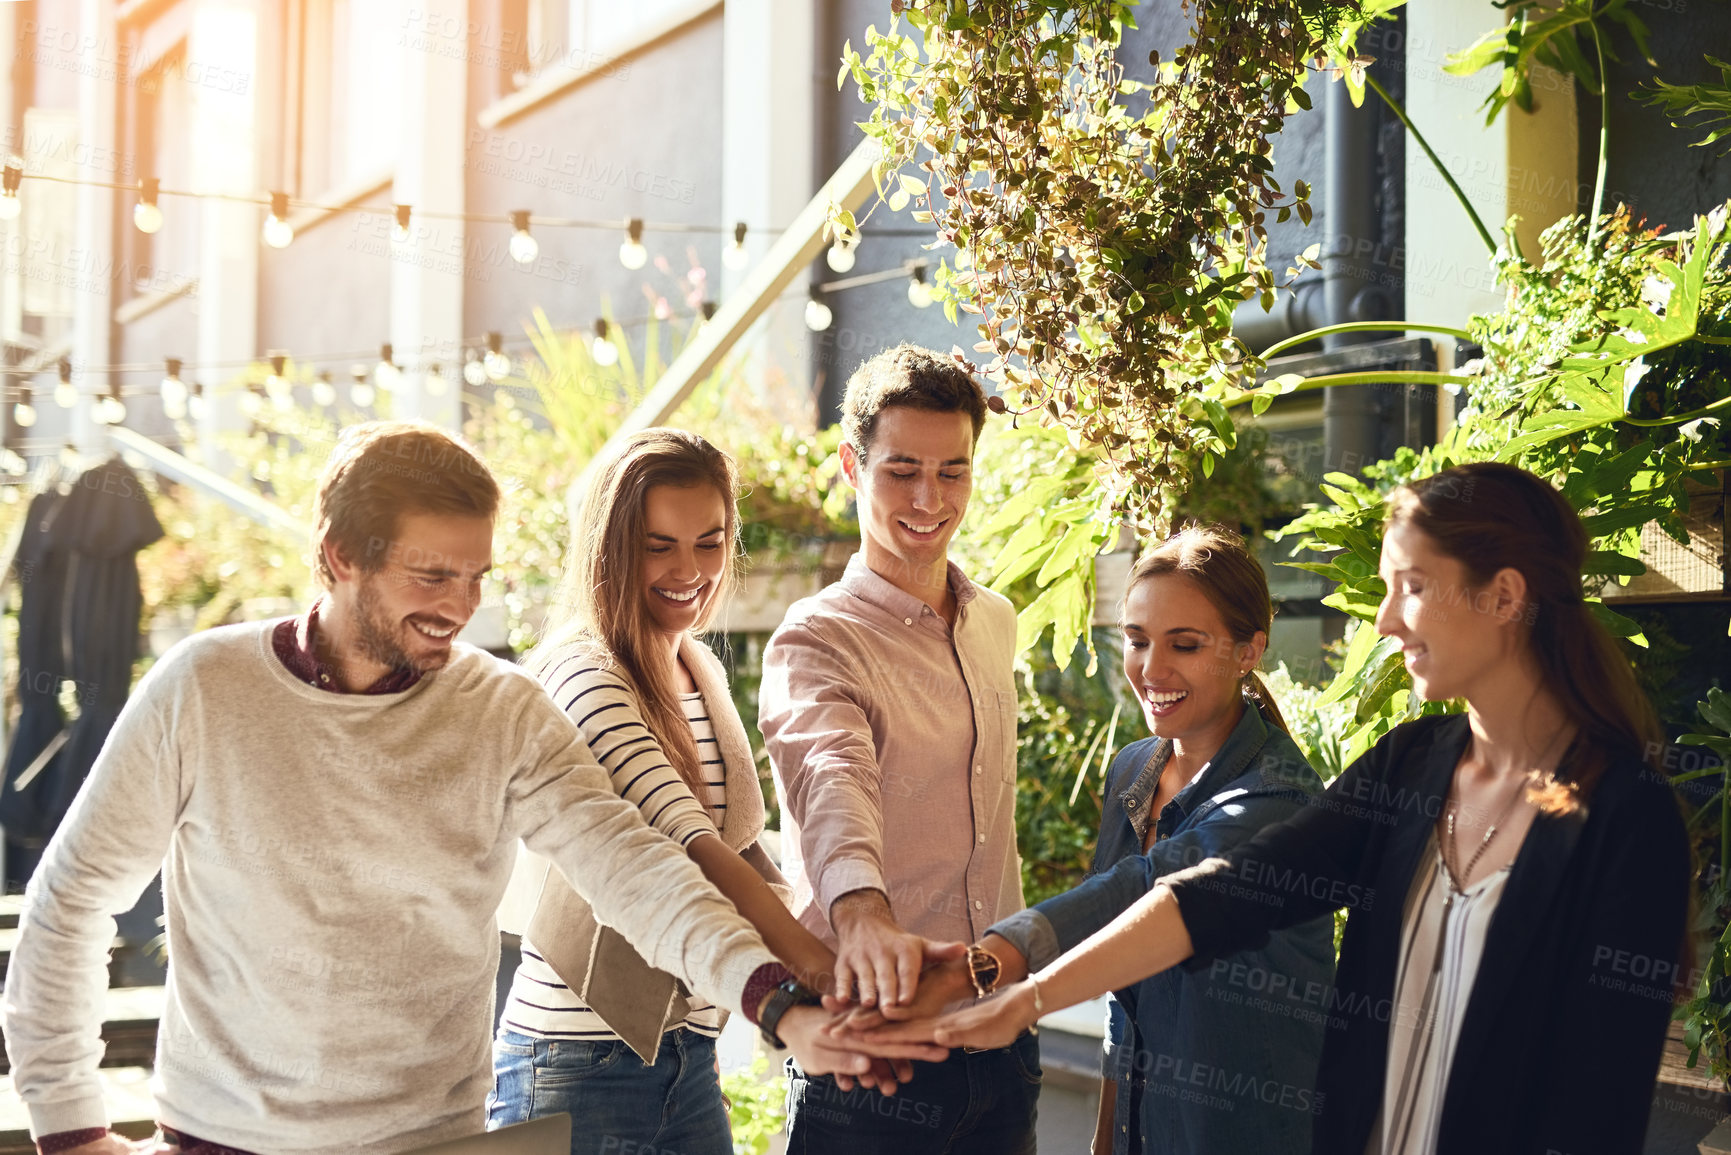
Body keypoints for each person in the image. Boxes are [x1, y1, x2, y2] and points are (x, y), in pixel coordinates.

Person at [2, 421, 940, 1155]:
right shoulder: (203, 687)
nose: (458, 604)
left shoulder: (502, 709)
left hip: (435, 1140)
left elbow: (637, 873)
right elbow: (73, 898)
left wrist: (779, 1001)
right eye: (430, 572)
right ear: (339, 555)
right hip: (226, 1138)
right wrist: (72, 1117)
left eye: (476, 575)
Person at [880, 462, 1692, 1155]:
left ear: (1503, 596)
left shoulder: (1622, 812)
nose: (1382, 620)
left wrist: (1002, 971)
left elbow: (1598, 1099)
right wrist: (1021, 998)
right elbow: (1222, 893)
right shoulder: (1411, 766)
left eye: (1410, 586)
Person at [490, 429, 943, 1154]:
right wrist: (822, 986)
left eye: (709, 541)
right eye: (658, 544)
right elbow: (694, 853)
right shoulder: (583, 676)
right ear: (609, 547)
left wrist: (856, 970)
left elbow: (746, 856)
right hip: (578, 1067)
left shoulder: (695, 667)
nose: (689, 570)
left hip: (686, 1061)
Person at [758, 344, 1037, 1155]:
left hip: (999, 1040)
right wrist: (864, 916)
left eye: (952, 471)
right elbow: (829, 778)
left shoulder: (994, 620)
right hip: (872, 1059)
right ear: (852, 464)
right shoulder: (816, 638)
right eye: (901, 470)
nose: (928, 498)